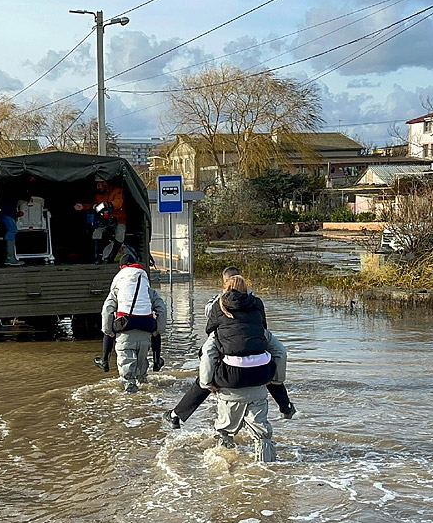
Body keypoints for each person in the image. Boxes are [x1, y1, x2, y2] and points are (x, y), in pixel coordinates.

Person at [163, 267, 295, 429]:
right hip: (258, 354)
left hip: (229, 360)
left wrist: (207, 381)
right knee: (265, 362)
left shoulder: (217, 303)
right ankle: (286, 407)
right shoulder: (255, 301)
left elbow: (210, 333)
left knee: (208, 374)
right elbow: (274, 343)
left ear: (225, 283)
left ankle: (177, 415)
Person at [198, 327, 287, 463]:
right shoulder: (260, 330)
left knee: (224, 431)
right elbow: (280, 352)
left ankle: (223, 475)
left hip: (230, 390)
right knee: (262, 435)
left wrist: (206, 382)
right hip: (258, 387)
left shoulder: (219, 331)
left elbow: (208, 354)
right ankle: (268, 471)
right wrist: (276, 379)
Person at [100, 250, 166, 393]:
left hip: (125, 333)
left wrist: (108, 331)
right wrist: (158, 330)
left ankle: (131, 407)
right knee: (142, 375)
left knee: (128, 380)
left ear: (121, 268)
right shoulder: (146, 287)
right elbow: (161, 308)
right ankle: (156, 363)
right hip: (146, 333)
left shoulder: (118, 286)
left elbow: (107, 309)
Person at [75, 179, 126, 263]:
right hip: (104, 221)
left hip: (118, 220)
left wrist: (106, 205)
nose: (97, 186)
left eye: (99, 184)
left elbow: (118, 203)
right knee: (96, 233)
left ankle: (112, 256)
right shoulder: (99, 195)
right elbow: (94, 206)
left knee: (120, 233)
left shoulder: (117, 191)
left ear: (105, 183)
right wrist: (83, 207)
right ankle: (97, 257)